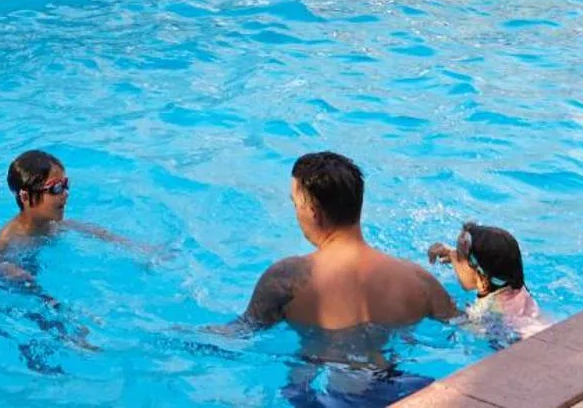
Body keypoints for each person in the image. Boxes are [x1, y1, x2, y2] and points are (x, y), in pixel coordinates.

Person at [230, 152, 454, 405]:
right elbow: (470, 326)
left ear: (314, 213)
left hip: (329, 395)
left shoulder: (287, 278)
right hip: (405, 389)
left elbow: (238, 335)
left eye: (295, 204)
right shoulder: (419, 280)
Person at [0, 149, 139, 260]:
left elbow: (96, 232)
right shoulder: (7, 241)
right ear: (26, 197)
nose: (65, 193)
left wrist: (135, 248)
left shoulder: (51, 223)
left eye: (65, 184)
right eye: (56, 188)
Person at [428, 223, 547, 343]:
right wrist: (451, 253)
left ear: (481, 275)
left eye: (457, 257)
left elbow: (464, 324)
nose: (454, 261)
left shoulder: (494, 308)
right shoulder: (512, 286)